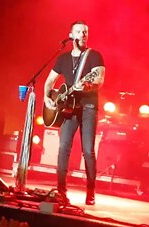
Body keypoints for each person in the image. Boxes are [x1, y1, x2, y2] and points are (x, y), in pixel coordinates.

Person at [43, 21, 105, 205]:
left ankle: (90, 191)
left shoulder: (94, 55)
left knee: (88, 150)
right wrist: (47, 96)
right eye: (79, 31)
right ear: (71, 35)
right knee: (63, 148)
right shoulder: (62, 58)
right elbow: (50, 81)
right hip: (68, 108)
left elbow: (99, 78)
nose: (83, 34)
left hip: (88, 107)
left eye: (85, 31)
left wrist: (87, 86)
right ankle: (61, 190)